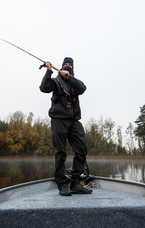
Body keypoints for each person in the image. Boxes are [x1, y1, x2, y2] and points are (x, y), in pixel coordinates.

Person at [40, 57, 92, 196]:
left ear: (72, 69)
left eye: (70, 65)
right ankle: (62, 184)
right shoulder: (56, 81)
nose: (67, 66)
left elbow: (82, 89)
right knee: (60, 152)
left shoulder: (75, 82)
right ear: (61, 67)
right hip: (59, 119)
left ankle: (75, 183)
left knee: (82, 149)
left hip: (74, 121)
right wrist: (49, 71)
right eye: (65, 65)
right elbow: (44, 88)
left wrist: (69, 78)